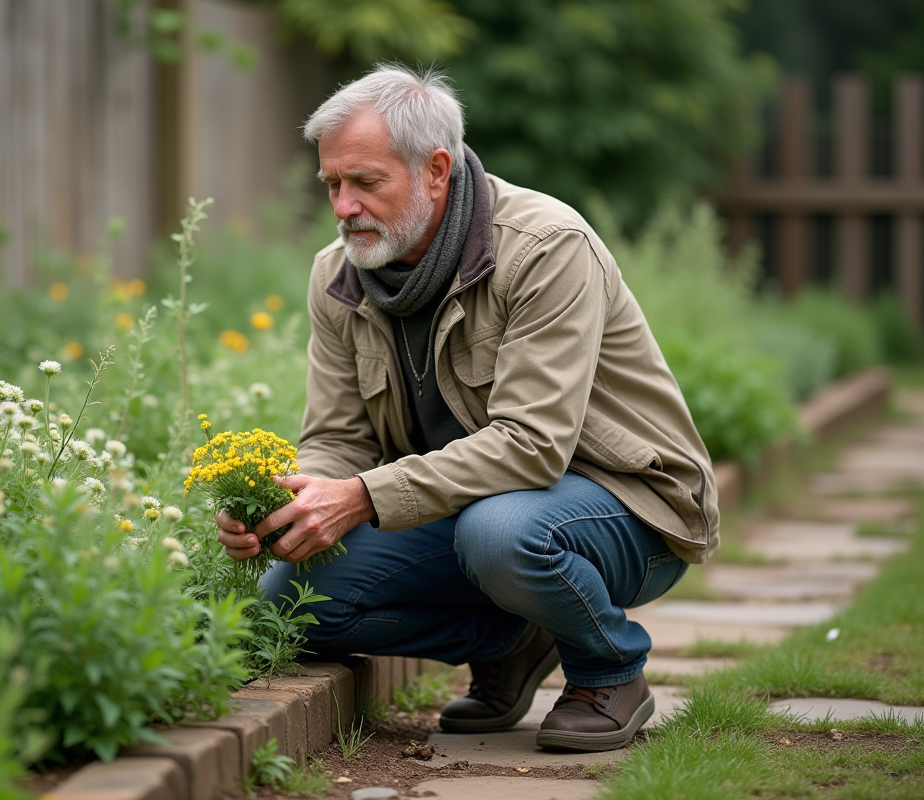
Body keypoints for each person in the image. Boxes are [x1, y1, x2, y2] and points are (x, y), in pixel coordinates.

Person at [215, 64, 718, 753]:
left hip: (628, 506)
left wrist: (362, 497)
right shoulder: (336, 272)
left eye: (366, 182)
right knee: (285, 606)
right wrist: (293, 505)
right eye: (332, 183)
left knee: (500, 533)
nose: (343, 206)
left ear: (436, 170)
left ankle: (608, 671)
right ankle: (517, 634)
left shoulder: (545, 246)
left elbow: (533, 444)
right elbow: (336, 436)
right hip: (466, 513)